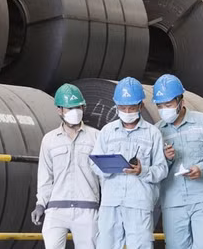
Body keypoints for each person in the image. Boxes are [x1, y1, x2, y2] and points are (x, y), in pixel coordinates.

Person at [153, 74, 203, 249]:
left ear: (181, 101)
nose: (164, 109)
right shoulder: (157, 131)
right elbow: (155, 169)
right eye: (160, 106)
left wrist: (202, 168)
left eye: (168, 104)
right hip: (173, 202)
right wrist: (166, 159)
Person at [90, 77, 167, 249]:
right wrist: (108, 167)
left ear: (141, 106)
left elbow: (162, 170)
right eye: (122, 108)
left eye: (131, 108)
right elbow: (94, 164)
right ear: (116, 106)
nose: (127, 111)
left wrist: (142, 170)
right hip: (111, 202)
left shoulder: (153, 134)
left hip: (139, 204)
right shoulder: (107, 132)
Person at [32, 83, 100, 249]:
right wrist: (41, 204)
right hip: (56, 209)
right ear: (59, 110)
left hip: (87, 209)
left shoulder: (96, 137)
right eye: (69, 108)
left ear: (83, 107)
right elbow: (45, 176)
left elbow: (104, 176)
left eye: (78, 107)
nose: (74, 112)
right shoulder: (49, 140)